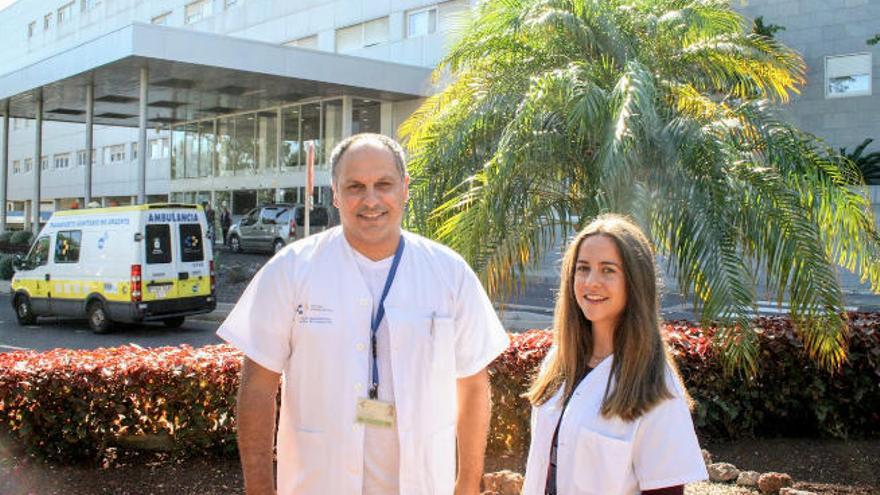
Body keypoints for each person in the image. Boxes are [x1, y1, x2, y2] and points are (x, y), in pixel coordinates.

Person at [217, 133, 509, 495]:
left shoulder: (449, 273)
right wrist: (260, 488)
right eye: (355, 186)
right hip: (317, 483)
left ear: (405, 188)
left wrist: (467, 483)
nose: (371, 200)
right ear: (336, 194)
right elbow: (258, 387)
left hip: (422, 484)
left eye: (383, 184)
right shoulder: (291, 270)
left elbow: (472, 385)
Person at [522, 214, 707, 495]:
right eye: (583, 268)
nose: (591, 282)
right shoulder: (559, 361)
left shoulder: (656, 388)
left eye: (608, 270)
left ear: (634, 282)